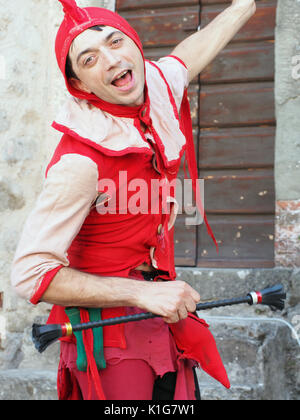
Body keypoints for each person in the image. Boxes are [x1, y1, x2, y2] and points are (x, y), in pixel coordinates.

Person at [11, 0, 256, 401]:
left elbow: (186, 57)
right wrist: (142, 294)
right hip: (108, 343)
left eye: (115, 42)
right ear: (82, 86)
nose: (110, 60)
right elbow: (29, 273)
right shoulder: (79, 161)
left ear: (134, 44)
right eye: (89, 59)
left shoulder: (153, 90)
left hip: (162, 316)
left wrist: (243, 7)